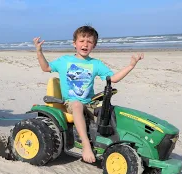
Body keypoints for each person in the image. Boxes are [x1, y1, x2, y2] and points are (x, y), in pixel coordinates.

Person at [33, 25, 144, 163]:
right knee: (78, 105)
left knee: (109, 111)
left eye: (89, 42)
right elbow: (46, 67)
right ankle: (86, 145)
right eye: (82, 41)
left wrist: (131, 65)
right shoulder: (64, 61)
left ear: (94, 46)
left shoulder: (95, 64)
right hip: (71, 103)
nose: (85, 44)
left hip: (90, 102)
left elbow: (113, 78)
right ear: (74, 43)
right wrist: (39, 51)